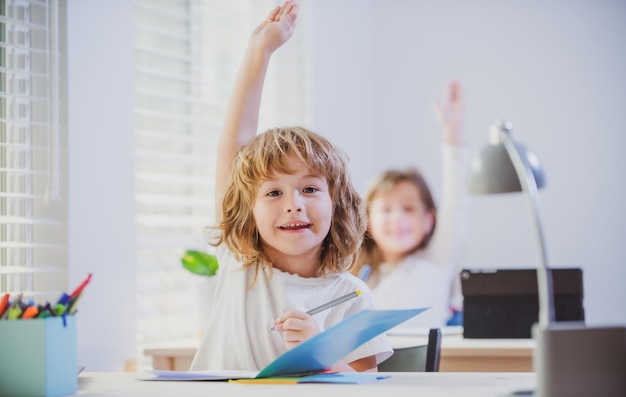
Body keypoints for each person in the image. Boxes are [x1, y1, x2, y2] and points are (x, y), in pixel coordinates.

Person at [190, 0, 391, 373]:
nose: (293, 204)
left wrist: (321, 353)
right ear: (246, 207)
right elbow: (232, 147)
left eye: (310, 189)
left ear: (338, 204)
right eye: (273, 192)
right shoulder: (241, 266)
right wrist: (260, 51)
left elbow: (365, 384)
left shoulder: (351, 295)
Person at [353, 82, 470, 328]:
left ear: (429, 220)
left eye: (408, 209)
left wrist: (453, 135)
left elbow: (457, 202)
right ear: (368, 221)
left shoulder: (435, 262)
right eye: (386, 209)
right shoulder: (357, 278)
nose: (397, 218)